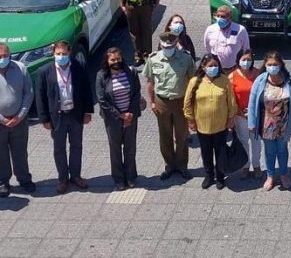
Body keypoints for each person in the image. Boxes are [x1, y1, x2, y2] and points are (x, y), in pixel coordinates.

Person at [35, 40, 93, 194]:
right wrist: (44, 119)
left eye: (64, 54)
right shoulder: (44, 71)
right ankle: (62, 179)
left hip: (75, 114)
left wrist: (88, 112)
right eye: (58, 54)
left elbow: (87, 89)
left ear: (69, 53)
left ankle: (75, 176)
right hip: (57, 117)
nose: (61, 57)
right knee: (59, 148)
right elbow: (40, 96)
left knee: (76, 145)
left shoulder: (78, 67)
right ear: (53, 54)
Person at [144, 31, 195, 180]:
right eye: (165, 46)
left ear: (175, 44)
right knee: (165, 136)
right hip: (162, 101)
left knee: (182, 136)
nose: (168, 48)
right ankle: (169, 165)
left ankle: (182, 166)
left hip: (180, 101)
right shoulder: (153, 59)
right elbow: (150, 82)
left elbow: (192, 80)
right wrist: (152, 101)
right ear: (161, 45)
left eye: (171, 46)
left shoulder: (185, 58)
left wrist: (191, 103)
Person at [248, 51, 291, 191]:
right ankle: (270, 175)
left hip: (284, 123)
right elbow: (252, 102)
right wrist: (252, 123)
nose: (272, 67)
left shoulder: (289, 79)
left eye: (275, 64)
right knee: (270, 151)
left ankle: (284, 174)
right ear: (265, 65)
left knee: (282, 149)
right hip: (267, 124)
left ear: (281, 64)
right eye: (270, 64)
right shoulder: (260, 80)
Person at [184, 54, 237, 190]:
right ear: (203, 67)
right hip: (202, 126)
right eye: (210, 66)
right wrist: (190, 120)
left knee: (220, 152)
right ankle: (209, 176)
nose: (213, 68)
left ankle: (220, 177)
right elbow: (188, 103)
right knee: (206, 152)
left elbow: (231, 101)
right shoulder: (195, 81)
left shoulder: (224, 80)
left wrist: (231, 118)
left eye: (215, 65)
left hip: (221, 125)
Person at [95, 47, 141, 191]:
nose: (116, 62)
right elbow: (102, 100)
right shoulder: (101, 76)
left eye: (118, 59)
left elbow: (136, 93)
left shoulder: (131, 72)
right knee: (115, 149)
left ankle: (131, 177)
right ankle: (119, 179)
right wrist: (120, 115)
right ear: (107, 61)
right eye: (112, 60)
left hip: (131, 116)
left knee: (130, 148)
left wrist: (130, 114)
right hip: (112, 119)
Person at [0, 43, 35, 197]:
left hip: (19, 121)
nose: (2, 59)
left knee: (20, 152)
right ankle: (3, 182)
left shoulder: (20, 68)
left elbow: (29, 93)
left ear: (10, 55)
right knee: (1, 154)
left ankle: (24, 179)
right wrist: (2, 119)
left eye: (5, 56)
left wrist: (19, 116)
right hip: (0, 123)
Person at [229, 50, 262, 179]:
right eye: (243, 59)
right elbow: (230, 97)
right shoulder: (232, 76)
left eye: (248, 59)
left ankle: (257, 165)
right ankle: (245, 166)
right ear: (238, 60)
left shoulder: (258, 74)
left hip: (255, 114)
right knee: (243, 141)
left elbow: (262, 93)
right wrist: (236, 112)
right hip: (239, 115)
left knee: (256, 141)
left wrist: (254, 111)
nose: (246, 62)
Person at [203, 5, 250, 72]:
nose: (219, 19)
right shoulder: (210, 29)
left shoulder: (240, 30)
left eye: (223, 17)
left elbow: (246, 49)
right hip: (216, 69)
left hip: (234, 69)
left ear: (230, 18)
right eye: (218, 16)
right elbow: (207, 47)